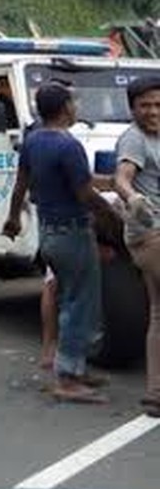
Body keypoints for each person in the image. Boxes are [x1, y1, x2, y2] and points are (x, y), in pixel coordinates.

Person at [3, 81, 119, 403]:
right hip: (72, 232)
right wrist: (112, 216)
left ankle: (76, 368)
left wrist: (12, 220)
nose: (77, 106)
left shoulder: (34, 141)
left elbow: (21, 184)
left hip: (49, 232)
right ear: (66, 108)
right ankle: (67, 379)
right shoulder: (68, 145)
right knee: (79, 304)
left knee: (73, 298)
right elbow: (83, 193)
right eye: (74, 101)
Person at [112, 73, 160, 417]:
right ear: (132, 109)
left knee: (158, 312)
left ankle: (156, 393)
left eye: (158, 104)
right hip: (150, 233)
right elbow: (121, 178)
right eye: (145, 106)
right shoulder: (134, 140)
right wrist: (133, 197)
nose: (153, 111)